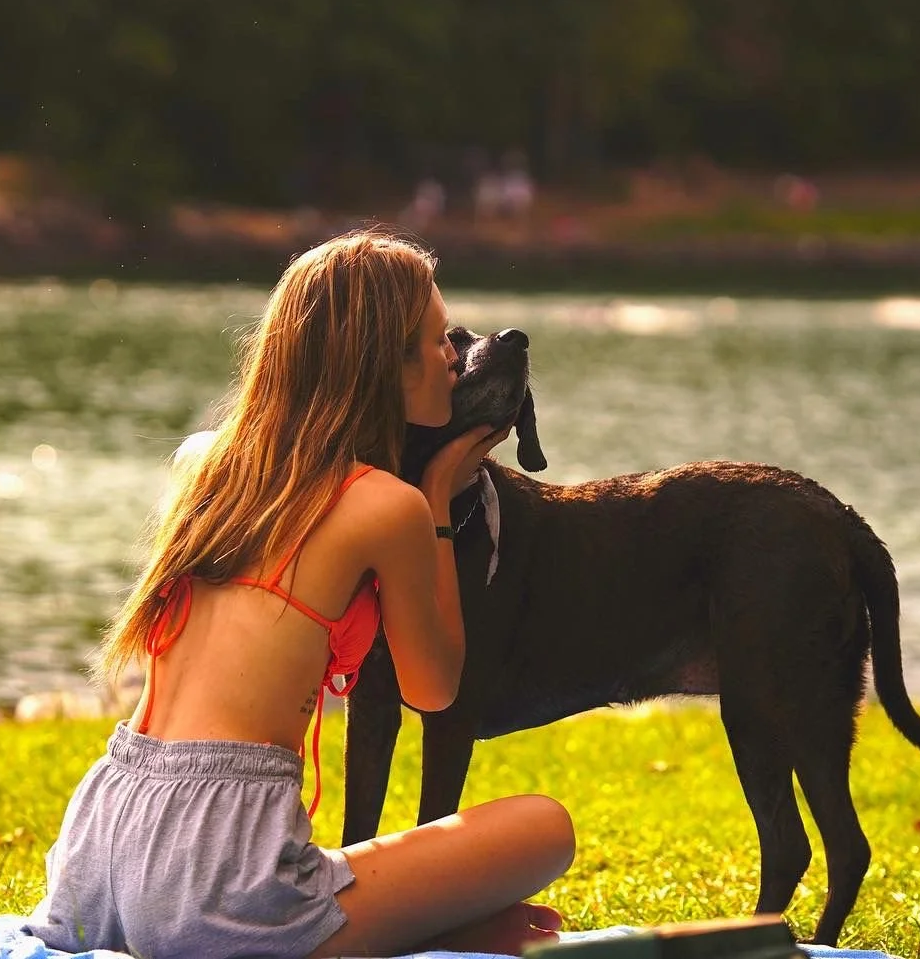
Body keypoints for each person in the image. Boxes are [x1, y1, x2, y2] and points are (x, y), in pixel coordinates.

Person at [28, 231, 575, 958]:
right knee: (546, 825)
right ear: (387, 362)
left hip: (98, 840)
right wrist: (439, 491)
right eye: (439, 339)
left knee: (359, 871)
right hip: (225, 865)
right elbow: (434, 687)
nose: (453, 357)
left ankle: (401, 920)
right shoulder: (387, 505)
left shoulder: (202, 461)